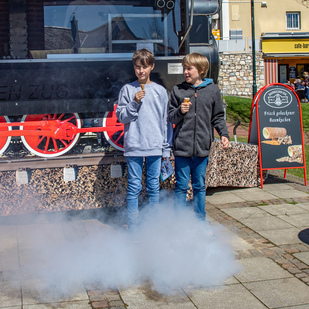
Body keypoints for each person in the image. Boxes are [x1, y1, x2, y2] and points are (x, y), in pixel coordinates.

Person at [168, 52, 229, 221]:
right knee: (180, 186)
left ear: (201, 70)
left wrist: (224, 134)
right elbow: (171, 116)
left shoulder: (212, 90)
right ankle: (179, 221)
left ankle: (200, 220)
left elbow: (217, 116)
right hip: (182, 148)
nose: (185, 72)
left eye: (189, 69)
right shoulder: (178, 90)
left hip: (202, 148)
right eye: (184, 68)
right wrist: (180, 111)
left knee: (199, 186)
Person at [116, 49, 172, 230]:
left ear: (152, 67)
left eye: (145, 67)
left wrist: (166, 148)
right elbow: (122, 117)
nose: (141, 71)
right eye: (138, 67)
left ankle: (152, 225)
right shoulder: (127, 90)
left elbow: (165, 122)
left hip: (155, 146)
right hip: (134, 146)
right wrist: (134, 102)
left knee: (153, 186)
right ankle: (133, 226)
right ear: (134, 68)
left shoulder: (160, 91)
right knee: (133, 187)